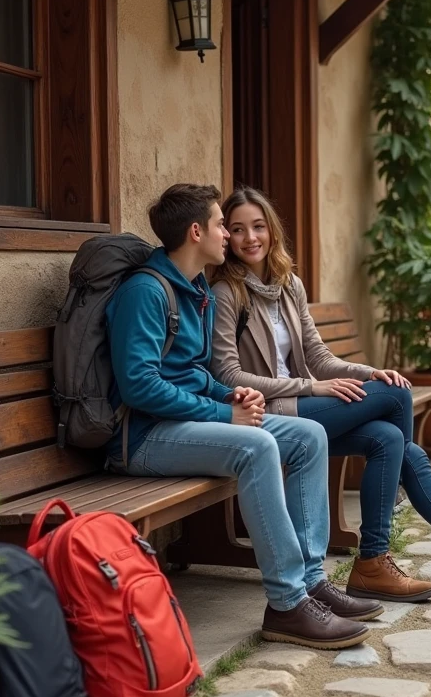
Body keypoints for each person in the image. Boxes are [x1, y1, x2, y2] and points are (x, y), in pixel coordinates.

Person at [209, 186, 431, 603]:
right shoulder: (226, 293)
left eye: (258, 226)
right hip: (272, 413)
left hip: (305, 409)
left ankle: (390, 559)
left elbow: (317, 353)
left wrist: (368, 371)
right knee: (397, 404)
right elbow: (227, 375)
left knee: (388, 436)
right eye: (237, 229)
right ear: (227, 237)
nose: (249, 238)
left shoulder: (288, 285)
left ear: (272, 231)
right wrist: (310, 385)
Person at [106, 183, 382, 649]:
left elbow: (194, 373)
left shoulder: (196, 291)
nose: (228, 236)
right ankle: (287, 603)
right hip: (144, 438)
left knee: (309, 435)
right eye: (220, 224)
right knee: (257, 447)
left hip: (187, 425)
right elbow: (140, 386)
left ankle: (311, 581)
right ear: (197, 232)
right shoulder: (146, 293)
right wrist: (220, 411)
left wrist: (232, 396)